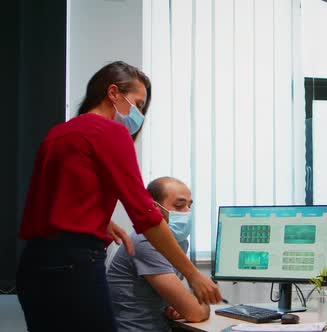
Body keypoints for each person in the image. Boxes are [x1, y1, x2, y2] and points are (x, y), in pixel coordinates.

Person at [16, 61, 221, 332]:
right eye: (137, 103)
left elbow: (51, 207)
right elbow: (146, 215)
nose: (138, 114)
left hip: (33, 266)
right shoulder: (110, 132)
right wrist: (195, 276)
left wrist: (103, 222)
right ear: (113, 93)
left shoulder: (57, 134)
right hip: (74, 267)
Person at [108, 177, 210, 331]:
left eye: (189, 206)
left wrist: (176, 306)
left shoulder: (179, 241)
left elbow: (180, 299)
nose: (187, 212)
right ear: (154, 207)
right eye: (179, 205)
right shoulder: (145, 241)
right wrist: (203, 305)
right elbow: (195, 313)